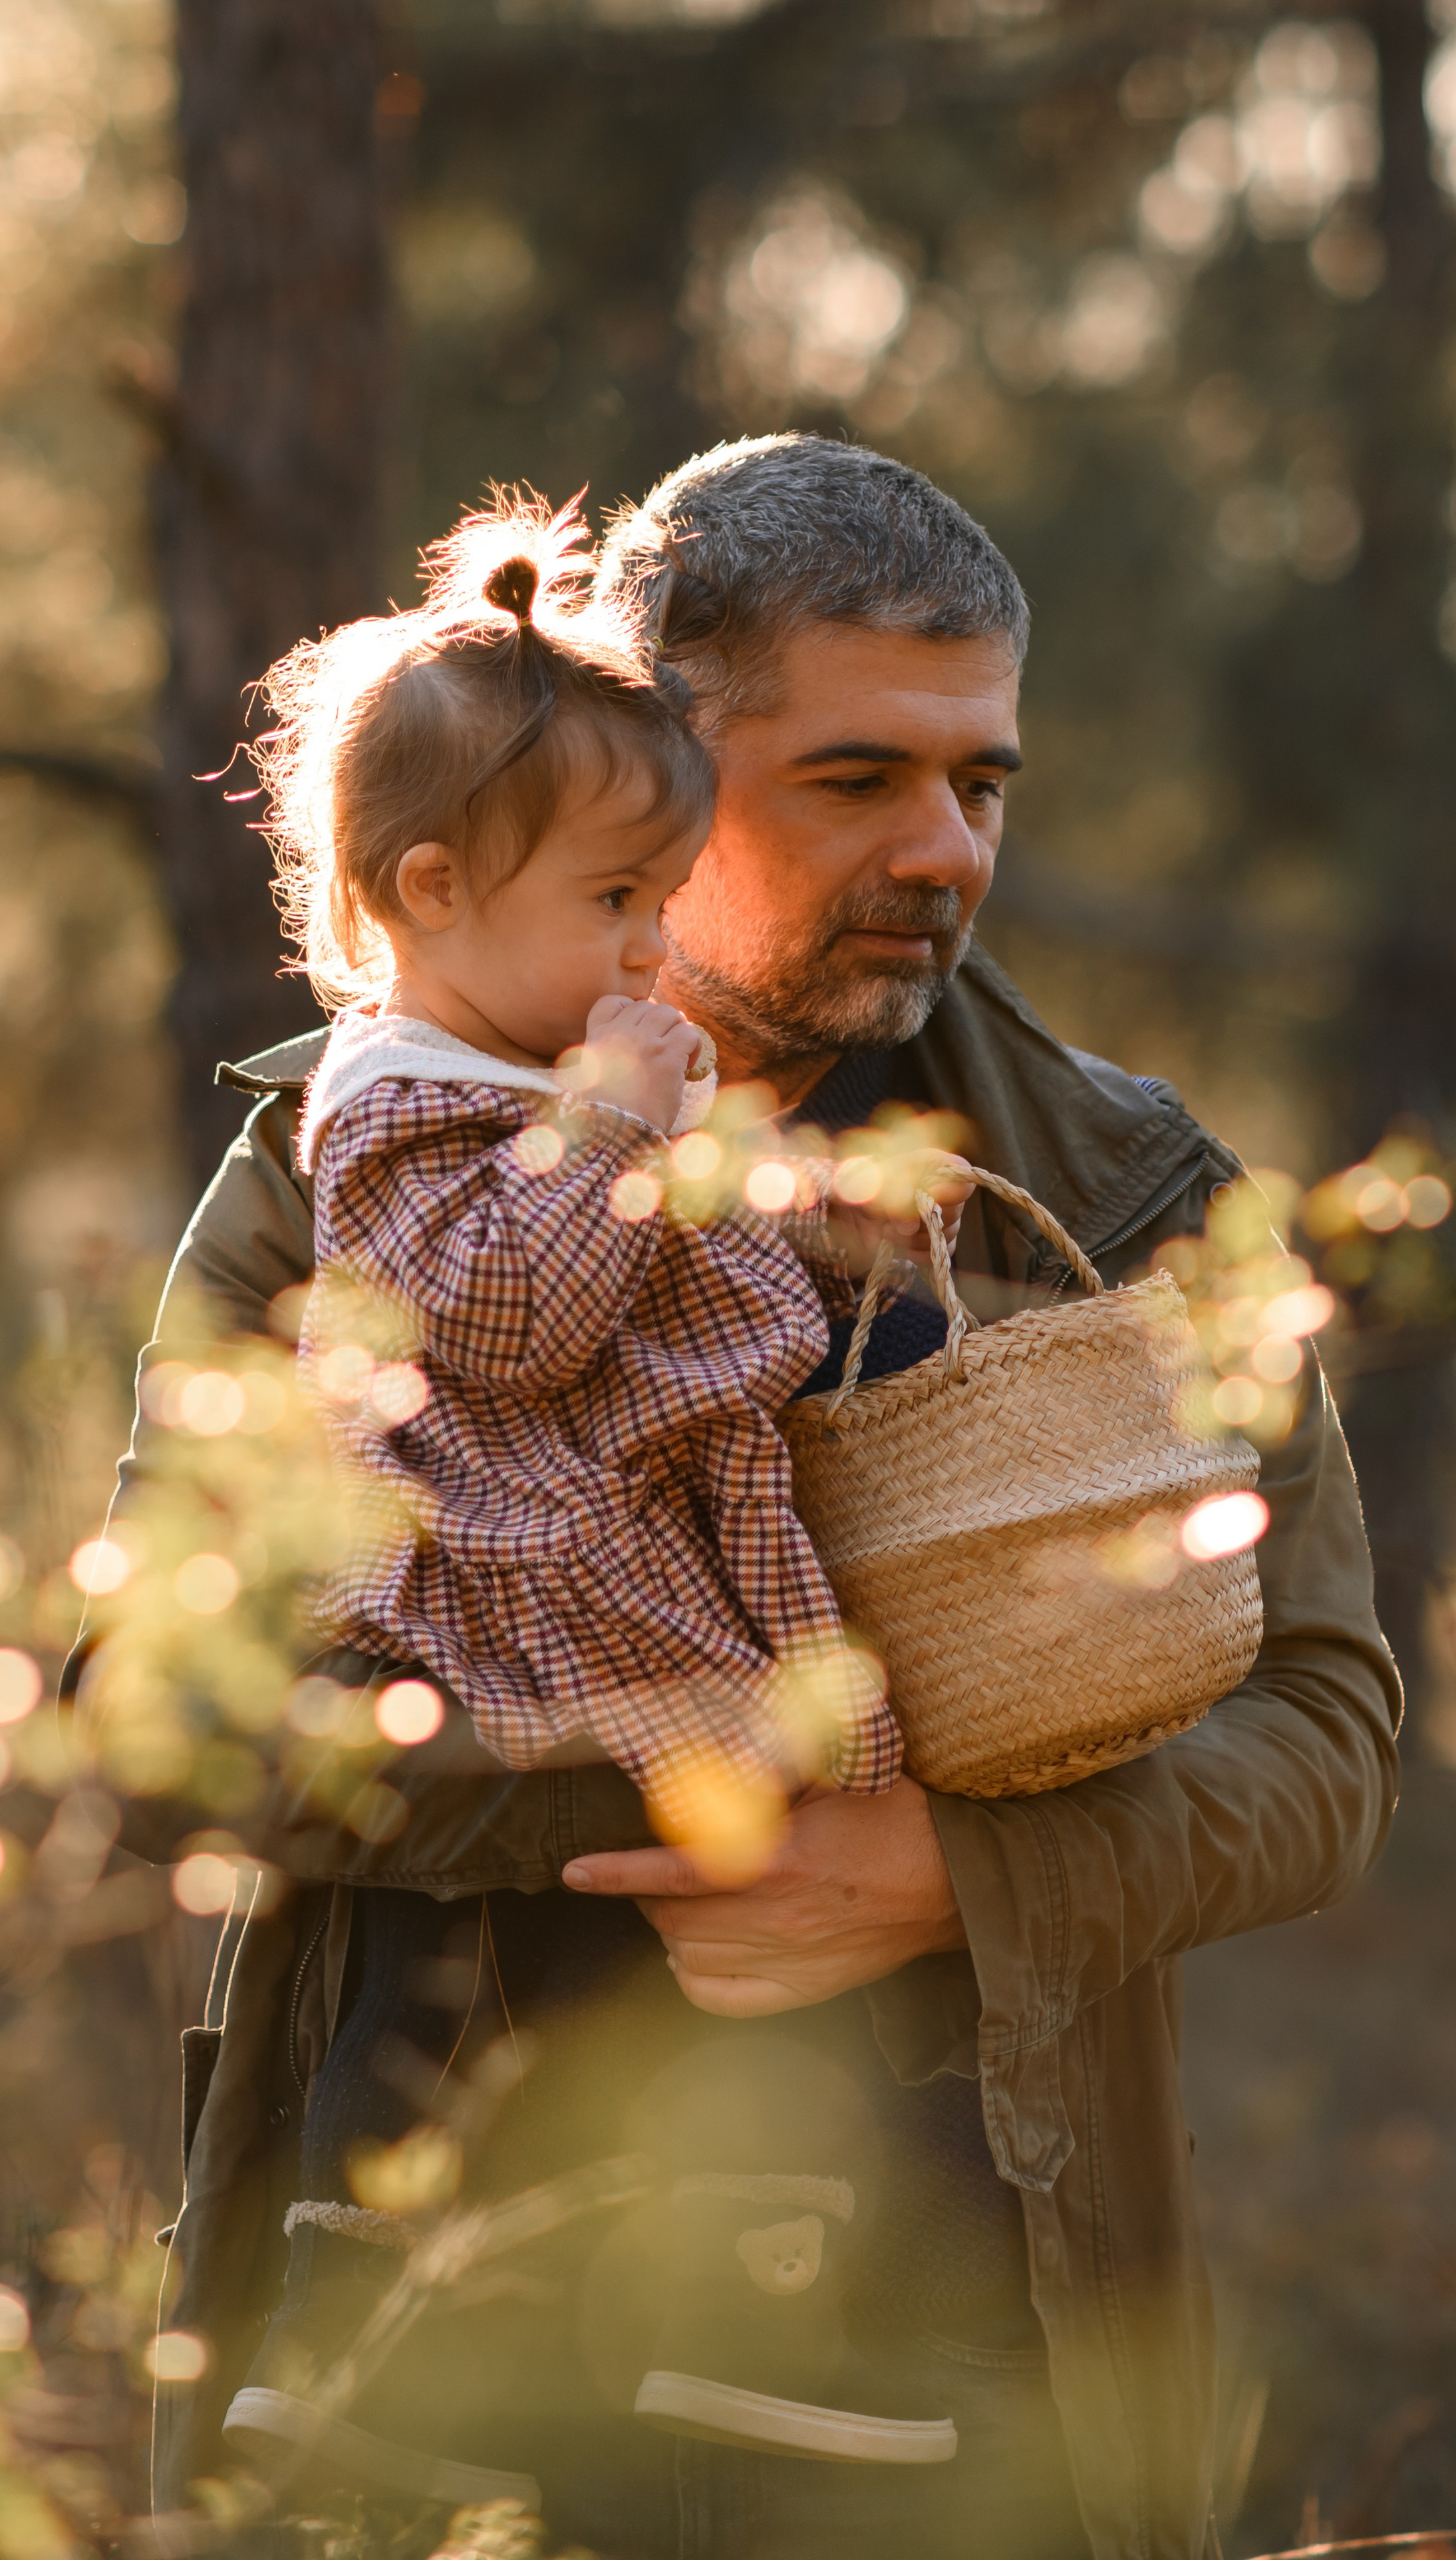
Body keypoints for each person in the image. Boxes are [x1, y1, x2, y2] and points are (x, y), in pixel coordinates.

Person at [137, 434, 1401, 2560]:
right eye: (855, 779)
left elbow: (1330, 1734)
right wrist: (673, 1772)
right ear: (648, 764)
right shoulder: (352, 1164)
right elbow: (166, 1702)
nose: (943, 849)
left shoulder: (1121, 1194)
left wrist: (951, 1873)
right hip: (427, 2355)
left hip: (968, 2378)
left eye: (980, 783)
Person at [224, 490, 965, 2479]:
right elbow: (508, 1320)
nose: (652, 948)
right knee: (506, 1972)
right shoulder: (397, 1105)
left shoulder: (538, 1080)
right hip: (533, 1577)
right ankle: (375, 2340)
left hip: (621, 1557)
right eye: (619, 902)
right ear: (433, 888)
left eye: (662, 896)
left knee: (715, 1934)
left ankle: (737, 2310)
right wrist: (623, 1121)